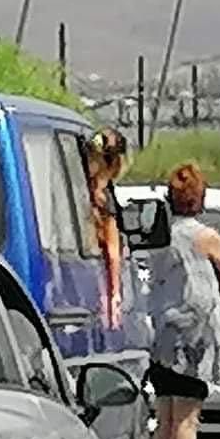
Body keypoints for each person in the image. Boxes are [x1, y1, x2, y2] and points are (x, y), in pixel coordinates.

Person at [149, 163, 220, 439]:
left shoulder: (160, 237)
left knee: (165, 416)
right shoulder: (206, 237)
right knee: (187, 418)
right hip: (194, 332)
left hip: (162, 330)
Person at [87, 128, 129, 330]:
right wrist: (115, 296)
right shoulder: (105, 200)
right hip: (97, 282)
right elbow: (112, 253)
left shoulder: (81, 188)